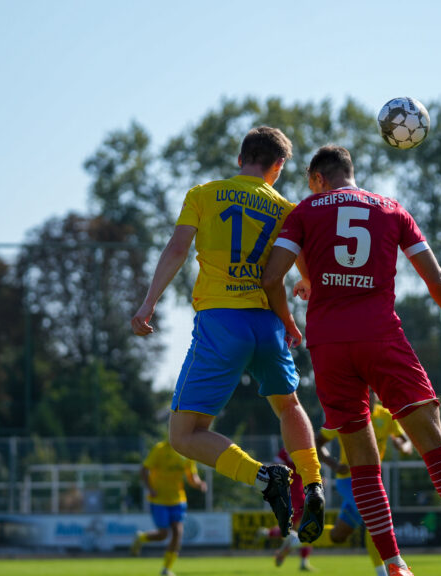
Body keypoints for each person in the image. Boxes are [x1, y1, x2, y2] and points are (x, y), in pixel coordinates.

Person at [262, 145, 441, 576]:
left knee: (362, 463)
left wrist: (290, 320)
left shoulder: (305, 211)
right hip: (380, 337)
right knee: (434, 443)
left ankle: (393, 563)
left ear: (317, 179)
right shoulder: (390, 209)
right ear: (350, 172)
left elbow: (272, 276)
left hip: (328, 344)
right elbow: (435, 277)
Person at [131, 126, 324, 543]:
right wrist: (301, 293)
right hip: (268, 324)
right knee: (289, 406)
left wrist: (149, 303)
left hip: (221, 323)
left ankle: (263, 477)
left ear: (240, 159)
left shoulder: (204, 194)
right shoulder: (287, 210)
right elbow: (301, 272)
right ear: (278, 167)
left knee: (184, 435)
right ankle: (312, 484)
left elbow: (177, 249)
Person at [316, 397, 412, 576]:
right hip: (348, 480)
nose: (369, 391)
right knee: (374, 518)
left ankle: (297, 539)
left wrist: (402, 446)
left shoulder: (386, 415)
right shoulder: (344, 413)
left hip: (373, 480)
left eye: (371, 388)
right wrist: (334, 465)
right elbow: (318, 442)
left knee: (338, 536)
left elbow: (406, 442)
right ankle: (384, 573)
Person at [131, 440, 208, 576]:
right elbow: (144, 469)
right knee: (163, 534)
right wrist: (150, 489)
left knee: (178, 532)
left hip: (178, 500)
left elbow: (192, 476)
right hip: (159, 499)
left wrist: (199, 484)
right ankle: (141, 538)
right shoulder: (160, 449)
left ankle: (166, 569)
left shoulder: (187, 452)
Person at [267, 447, 316, 572]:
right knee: (301, 529)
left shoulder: (300, 448)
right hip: (294, 496)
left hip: (300, 495)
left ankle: (298, 558)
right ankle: (270, 535)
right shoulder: (291, 450)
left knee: (304, 528)